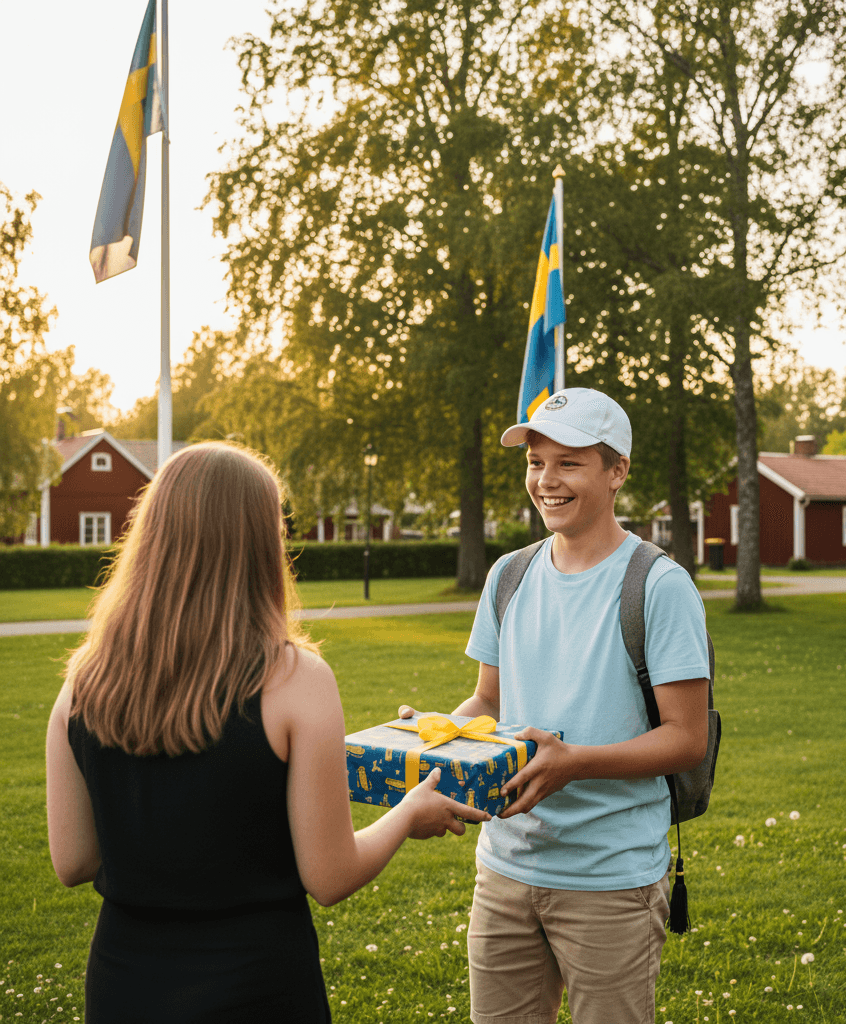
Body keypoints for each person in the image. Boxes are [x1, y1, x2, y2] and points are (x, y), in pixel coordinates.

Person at [46, 441, 488, 1024]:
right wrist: (410, 812)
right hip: (260, 988)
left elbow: (72, 860)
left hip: (124, 986)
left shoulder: (83, 680)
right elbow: (330, 877)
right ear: (262, 543)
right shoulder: (295, 678)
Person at [400, 387, 710, 1024]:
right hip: (505, 866)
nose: (546, 480)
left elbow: (686, 739)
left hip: (612, 877)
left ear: (616, 470)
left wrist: (576, 762)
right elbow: (488, 698)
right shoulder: (508, 575)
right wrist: (435, 735)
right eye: (536, 462)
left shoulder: (659, 585)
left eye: (569, 462)